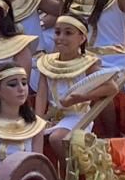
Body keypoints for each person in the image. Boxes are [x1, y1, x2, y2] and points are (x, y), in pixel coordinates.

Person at [35, 14, 117, 159]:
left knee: (56, 138)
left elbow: (112, 87)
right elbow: (41, 95)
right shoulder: (46, 63)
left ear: (82, 38)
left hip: (78, 116)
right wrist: (38, 120)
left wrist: (81, 98)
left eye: (68, 33)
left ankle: (71, 178)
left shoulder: (87, 63)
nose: (60, 37)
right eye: (57, 32)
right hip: (52, 117)